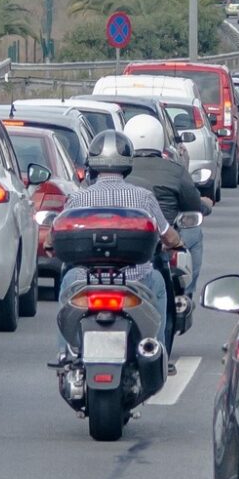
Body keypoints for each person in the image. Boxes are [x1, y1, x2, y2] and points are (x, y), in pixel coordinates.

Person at [55, 130, 182, 358]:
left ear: (93, 162)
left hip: (84, 280)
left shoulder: (78, 198)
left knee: (66, 284)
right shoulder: (143, 197)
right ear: (127, 164)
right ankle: (158, 351)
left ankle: (66, 352)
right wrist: (177, 241)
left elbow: (56, 236)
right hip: (137, 280)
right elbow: (168, 236)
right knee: (159, 282)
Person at [121, 114, 211, 296]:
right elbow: (192, 205)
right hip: (163, 239)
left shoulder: (118, 170)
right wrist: (206, 205)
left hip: (121, 241)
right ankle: (186, 295)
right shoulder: (174, 170)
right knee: (195, 233)